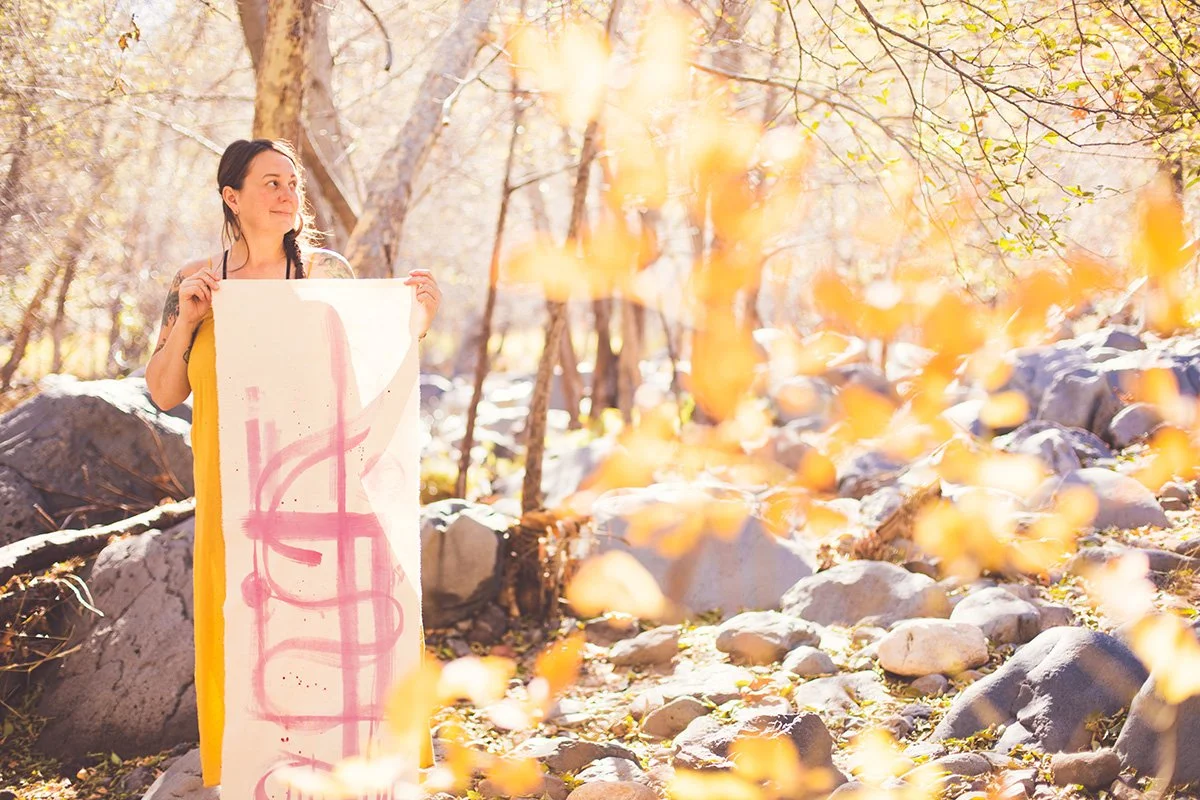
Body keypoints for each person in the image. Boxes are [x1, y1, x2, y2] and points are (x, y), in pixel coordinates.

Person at [145, 139, 441, 788]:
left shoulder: (325, 277)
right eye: (270, 182)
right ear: (232, 196)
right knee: (249, 640)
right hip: (237, 502)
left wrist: (413, 320)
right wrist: (191, 321)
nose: (287, 194)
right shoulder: (200, 282)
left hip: (325, 497)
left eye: (292, 183)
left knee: (340, 642)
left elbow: (367, 370)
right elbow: (164, 391)